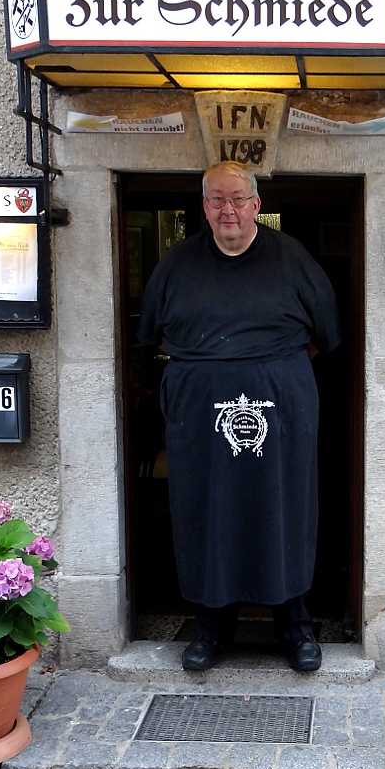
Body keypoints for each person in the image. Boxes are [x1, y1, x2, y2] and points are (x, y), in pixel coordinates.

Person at [137, 162, 341, 672]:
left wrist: (267, 371)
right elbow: (152, 335)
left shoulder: (290, 257)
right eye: (217, 200)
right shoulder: (177, 263)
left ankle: (294, 627)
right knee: (207, 509)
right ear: (204, 207)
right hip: (198, 415)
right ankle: (211, 629)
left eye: (237, 199)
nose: (228, 209)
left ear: (255, 205)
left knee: (283, 506)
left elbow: (326, 335)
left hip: (283, 409)